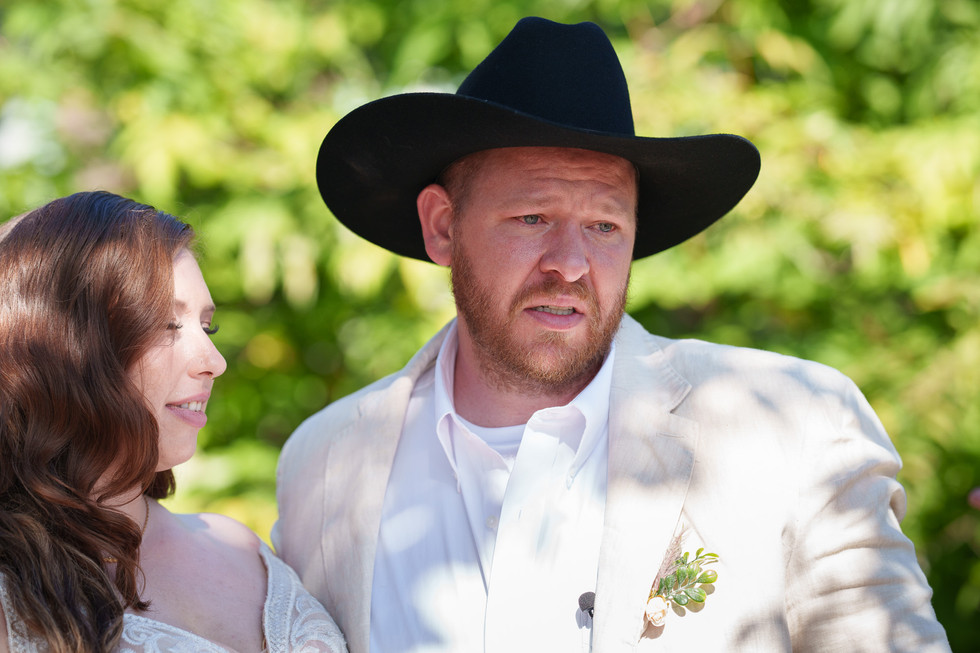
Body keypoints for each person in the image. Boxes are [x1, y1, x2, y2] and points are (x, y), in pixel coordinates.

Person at [274, 17, 950, 652]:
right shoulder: (324, 467)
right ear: (443, 226)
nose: (570, 264)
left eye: (604, 226)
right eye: (533, 217)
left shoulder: (795, 427)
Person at [0, 191, 347, 653]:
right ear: (63, 346)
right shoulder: (13, 588)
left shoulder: (239, 545)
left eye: (208, 327)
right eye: (165, 324)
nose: (213, 361)